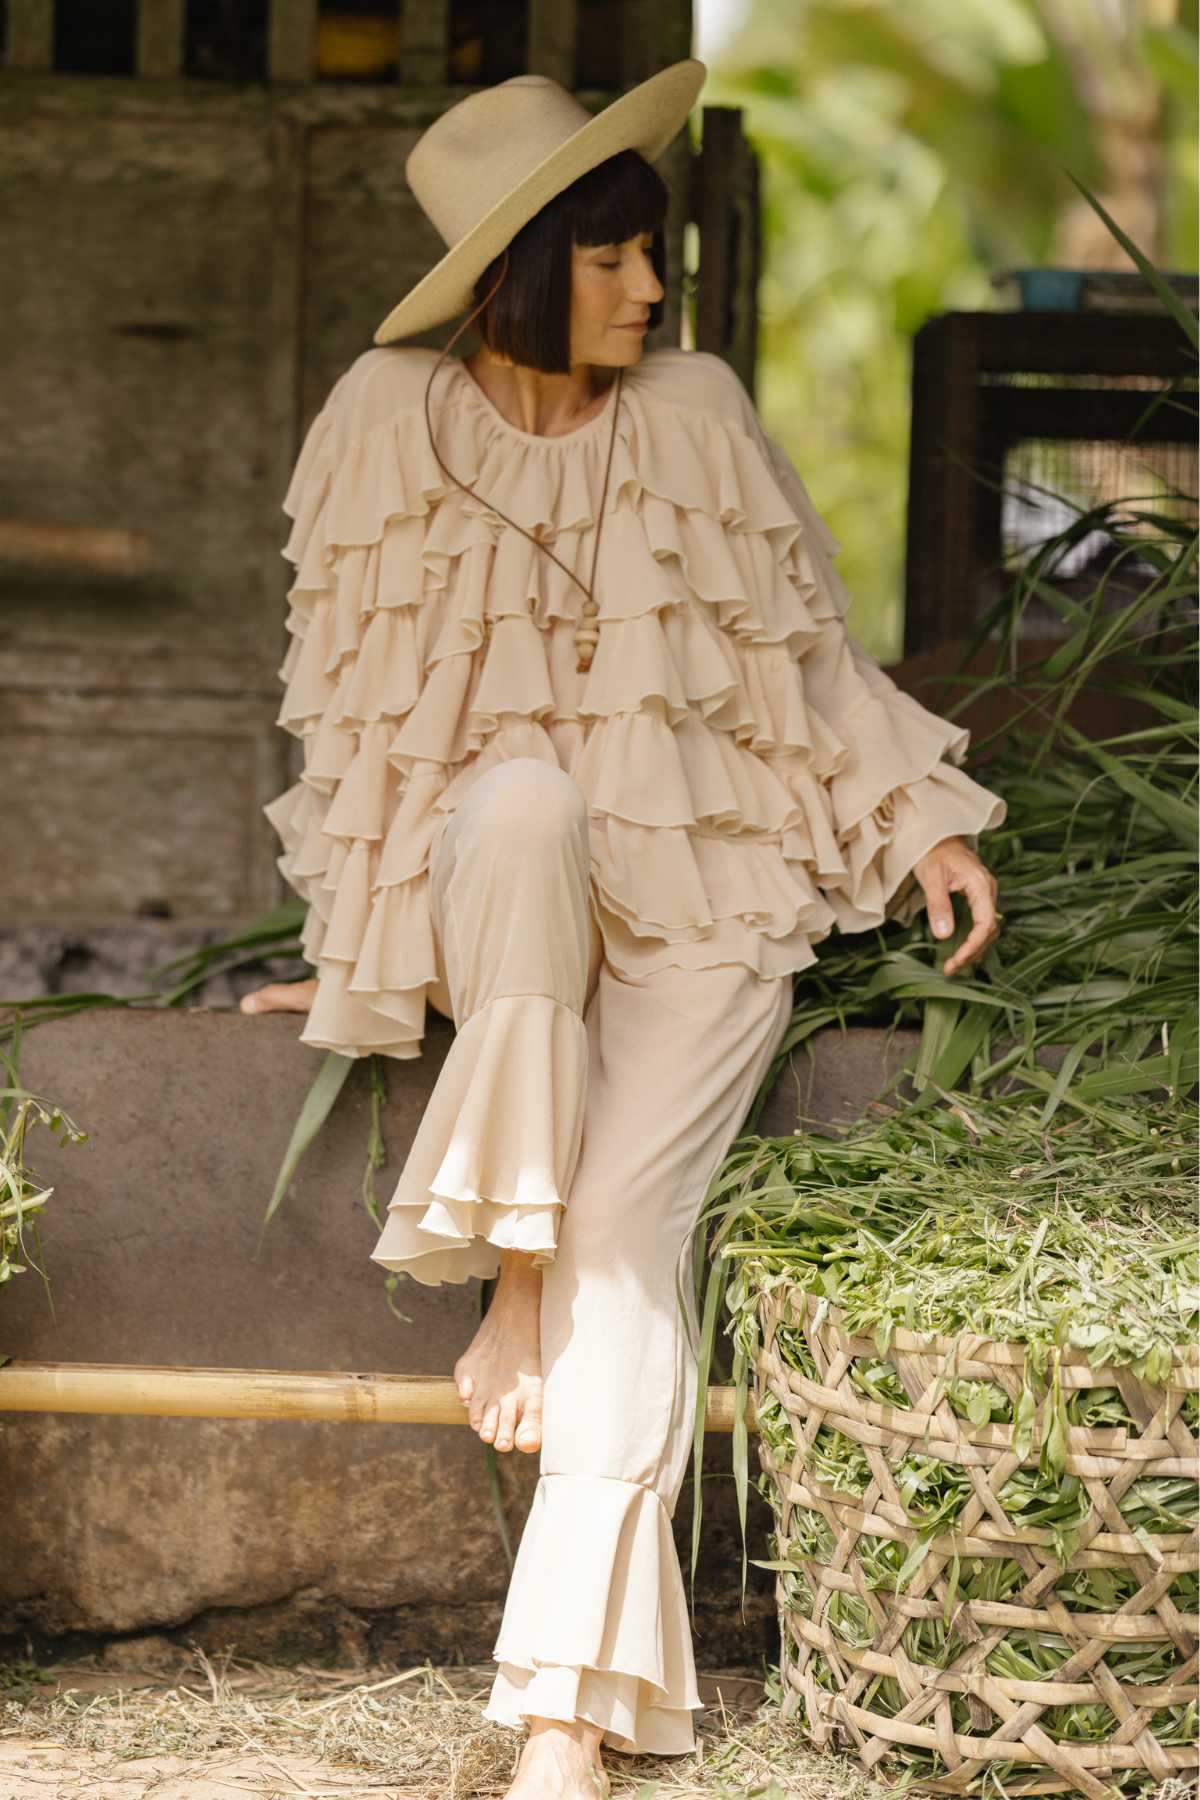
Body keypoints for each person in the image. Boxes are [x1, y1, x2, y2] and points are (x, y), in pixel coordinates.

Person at [241, 60, 1006, 1800]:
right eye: (608, 259)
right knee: (516, 799)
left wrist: (921, 821)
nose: (649, 290)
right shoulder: (382, 413)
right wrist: (362, 945)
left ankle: (567, 1722)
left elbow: (809, 649)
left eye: (650, 256)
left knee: (622, 1253)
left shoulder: (699, 408)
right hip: (514, 903)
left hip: (713, 902)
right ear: (517, 262)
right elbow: (353, 723)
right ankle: (512, 1273)